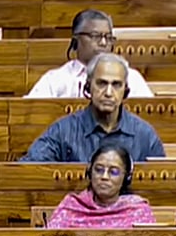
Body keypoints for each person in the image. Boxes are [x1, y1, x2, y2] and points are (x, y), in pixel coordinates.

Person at [21, 53, 165, 163]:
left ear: (125, 91)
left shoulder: (145, 135)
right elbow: (29, 167)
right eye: (101, 83)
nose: (108, 93)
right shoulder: (63, 131)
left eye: (116, 85)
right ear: (88, 86)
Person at [26, 10, 153, 99]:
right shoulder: (56, 79)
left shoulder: (131, 78)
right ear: (76, 40)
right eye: (95, 36)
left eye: (108, 37)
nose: (103, 42)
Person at [46, 144, 154, 228]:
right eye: (99, 170)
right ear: (89, 172)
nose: (104, 177)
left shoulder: (137, 210)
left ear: (126, 177)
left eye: (114, 172)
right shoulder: (71, 205)